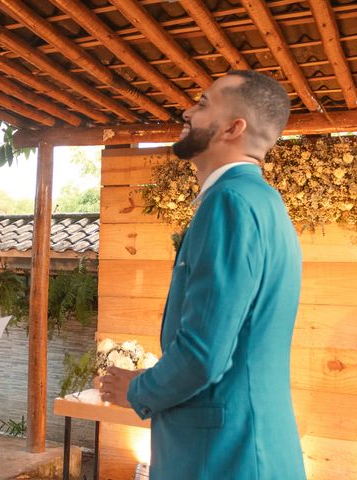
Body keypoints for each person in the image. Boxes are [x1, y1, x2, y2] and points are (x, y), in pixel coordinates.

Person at [100, 70, 306, 479]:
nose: (187, 110)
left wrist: (137, 390)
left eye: (203, 103)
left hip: (223, 455)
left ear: (234, 127)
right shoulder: (263, 202)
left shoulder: (229, 203)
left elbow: (203, 354)